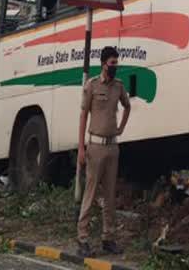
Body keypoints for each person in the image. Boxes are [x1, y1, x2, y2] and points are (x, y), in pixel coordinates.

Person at [77, 46, 132, 257]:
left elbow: (127, 106)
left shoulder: (119, 86)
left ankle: (108, 238)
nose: (115, 67)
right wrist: (81, 147)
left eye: (116, 63)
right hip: (95, 147)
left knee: (110, 196)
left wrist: (121, 128)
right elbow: (83, 116)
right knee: (90, 195)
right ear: (103, 64)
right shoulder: (91, 85)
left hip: (112, 147)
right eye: (112, 64)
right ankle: (82, 239)